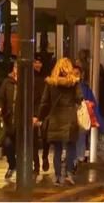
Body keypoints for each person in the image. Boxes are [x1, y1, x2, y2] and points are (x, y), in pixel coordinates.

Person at [37, 57, 83, 186]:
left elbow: (44, 102)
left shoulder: (51, 84)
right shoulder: (75, 83)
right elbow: (79, 98)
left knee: (57, 149)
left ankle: (58, 177)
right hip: (70, 119)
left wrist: (39, 118)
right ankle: (68, 172)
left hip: (55, 118)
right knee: (71, 146)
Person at [71, 63, 101, 174]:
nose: (75, 75)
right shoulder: (67, 86)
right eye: (73, 73)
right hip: (71, 119)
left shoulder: (85, 88)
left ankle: (78, 160)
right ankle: (74, 161)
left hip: (82, 119)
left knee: (80, 138)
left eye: (77, 73)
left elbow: (93, 104)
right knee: (73, 140)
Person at [0, 63, 19, 181]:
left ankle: (19, 167)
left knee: (19, 146)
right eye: (16, 68)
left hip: (21, 121)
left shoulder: (27, 82)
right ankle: (12, 165)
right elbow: (0, 97)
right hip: (8, 119)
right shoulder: (7, 82)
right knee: (8, 144)